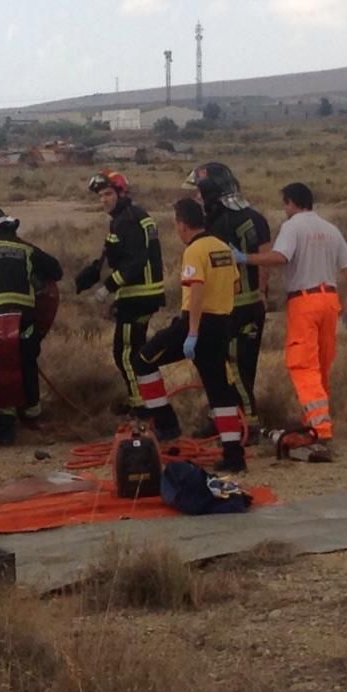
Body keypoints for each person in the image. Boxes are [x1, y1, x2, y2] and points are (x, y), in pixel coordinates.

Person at [232, 182, 347, 461]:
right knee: (322, 365)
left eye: (285, 204)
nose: (284, 210)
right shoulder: (330, 229)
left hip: (304, 302)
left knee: (302, 365)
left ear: (291, 203)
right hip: (330, 301)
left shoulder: (293, 227)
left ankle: (320, 431)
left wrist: (246, 259)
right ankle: (316, 424)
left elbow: (280, 257)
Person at [132, 198, 246, 472]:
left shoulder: (194, 251)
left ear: (182, 225)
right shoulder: (222, 247)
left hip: (196, 323)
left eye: (176, 225)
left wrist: (192, 331)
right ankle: (233, 455)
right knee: (220, 390)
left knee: (143, 360)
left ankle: (166, 423)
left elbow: (196, 290)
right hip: (222, 323)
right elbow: (236, 286)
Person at [183, 162, 272, 442]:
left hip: (232, 308)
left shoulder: (223, 223)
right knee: (232, 366)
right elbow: (266, 256)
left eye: (199, 191)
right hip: (245, 305)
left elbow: (216, 268)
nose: (196, 197)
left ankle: (249, 424)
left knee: (233, 366)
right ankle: (224, 418)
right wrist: (262, 293)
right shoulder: (254, 218)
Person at [0, 207, 63, 447]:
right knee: (26, 363)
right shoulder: (25, 248)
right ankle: (32, 416)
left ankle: (2, 429)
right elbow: (56, 270)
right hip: (25, 321)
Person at [76, 170, 166, 419]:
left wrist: (107, 288)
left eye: (108, 193)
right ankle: (153, 401)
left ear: (121, 193)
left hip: (137, 295)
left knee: (124, 352)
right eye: (100, 195)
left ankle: (141, 407)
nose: (103, 199)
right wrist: (93, 273)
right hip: (145, 293)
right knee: (139, 352)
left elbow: (135, 262)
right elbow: (116, 254)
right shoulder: (129, 216)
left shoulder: (126, 219)